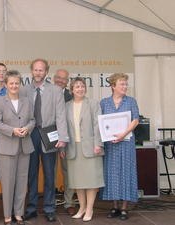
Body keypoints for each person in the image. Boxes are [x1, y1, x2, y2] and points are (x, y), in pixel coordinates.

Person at [19, 58, 69, 222]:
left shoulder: (56, 90)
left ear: (46, 72)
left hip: (50, 135)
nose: (38, 73)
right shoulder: (23, 90)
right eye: (35, 70)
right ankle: (32, 208)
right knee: (31, 173)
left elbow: (61, 115)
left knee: (49, 174)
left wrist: (62, 137)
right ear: (31, 71)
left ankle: (49, 208)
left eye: (41, 70)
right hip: (30, 135)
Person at [0, 70, 36, 225]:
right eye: (11, 83)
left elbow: (32, 120)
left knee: (21, 180)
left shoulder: (27, 101)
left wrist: (27, 128)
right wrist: (12, 130)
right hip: (6, 147)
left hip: (24, 146)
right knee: (7, 181)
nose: (14, 86)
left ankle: (18, 213)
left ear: (20, 84)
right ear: (6, 85)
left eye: (17, 83)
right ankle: (7, 214)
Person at [60, 77, 104, 222]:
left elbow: (97, 124)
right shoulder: (66, 106)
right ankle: (82, 207)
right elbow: (63, 127)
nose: (80, 89)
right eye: (77, 87)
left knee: (91, 180)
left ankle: (90, 209)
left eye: (82, 86)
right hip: (73, 148)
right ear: (71, 90)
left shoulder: (93, 103)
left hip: (91, 148)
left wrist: (98, 144)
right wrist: (63, 146)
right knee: (78, 181)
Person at [99, 73, 139, 220]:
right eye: (122, 84)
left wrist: (123, 134)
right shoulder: (104, 102)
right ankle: (115, 206)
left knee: (126, 173)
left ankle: (124, 208)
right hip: (110, 145)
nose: (125, 87)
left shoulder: (131, 101)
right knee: (111, 174)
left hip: (126, 144)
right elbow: (101, 123)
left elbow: (135, 120)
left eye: (126, 84)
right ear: (113, 86)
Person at [53, 69, 76, 215]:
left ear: (67, 82)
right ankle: (50, 203)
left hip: (66, 140)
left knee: (68, 172)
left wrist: (64, 140)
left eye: (64, 79)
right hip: (48, 139)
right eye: (58, 77)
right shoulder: (46, 92)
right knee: (50, 172)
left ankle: (69, 202)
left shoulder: (72, 97)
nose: (60, 80)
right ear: (54, 78)